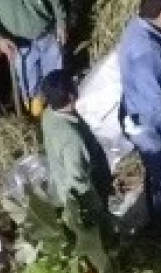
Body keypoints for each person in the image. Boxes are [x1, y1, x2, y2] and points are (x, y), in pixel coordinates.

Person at [117, 0, 161, 220]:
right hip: (151, 126)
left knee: (157, 174)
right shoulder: (148, 52)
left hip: (139, 112)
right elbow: (156, 102)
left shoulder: (137, 27)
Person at [39, 70, 111, 206]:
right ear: (71, 96)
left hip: (65, 184)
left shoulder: (49, 113)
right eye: (73, 83)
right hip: (87, 199)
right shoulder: (71, 139)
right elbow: (77, 180)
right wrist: (95, 210)